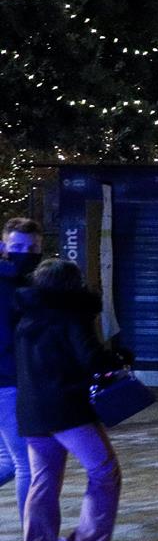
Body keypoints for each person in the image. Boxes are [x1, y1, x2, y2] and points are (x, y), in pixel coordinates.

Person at [14, 258, 133, 541]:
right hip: (66, 408)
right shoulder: (72, 315)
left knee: (43, 481)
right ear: (72, 284)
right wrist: (118, 361)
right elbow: (91, 358)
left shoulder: (26, 317)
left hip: (31, 410)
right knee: (105, 471)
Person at [0, 218, 45, 512]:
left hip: (11, 381)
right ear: (3, 247)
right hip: (8, 382)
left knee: (8, 461)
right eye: (17, 246)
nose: (25, 252)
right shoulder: (13, 288)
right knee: (27, 463)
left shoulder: (27, 284)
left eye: (32, 247)